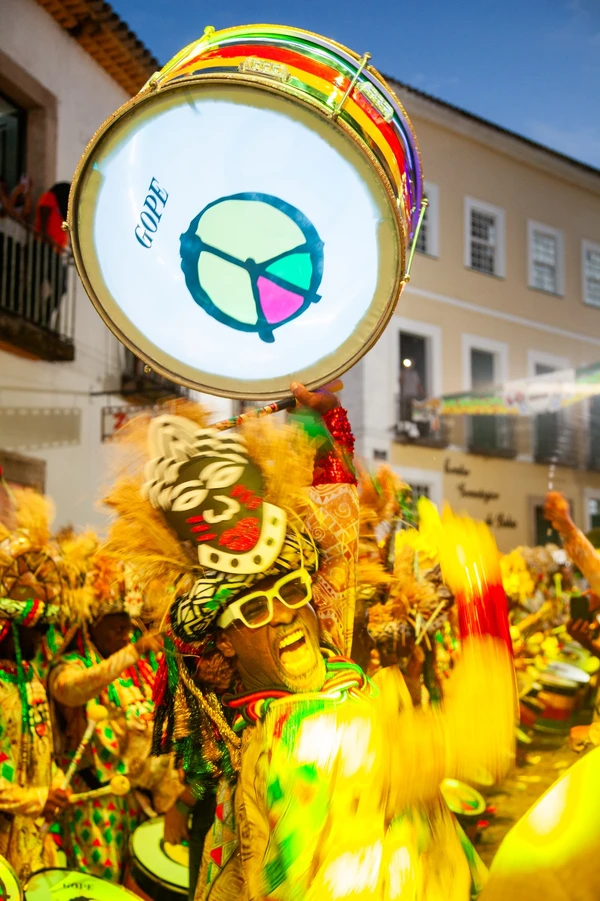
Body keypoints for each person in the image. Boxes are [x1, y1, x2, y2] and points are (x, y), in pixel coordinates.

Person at [104, 386, 514, 901]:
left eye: (292, 591)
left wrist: (324, 431)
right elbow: (480, 734)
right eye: (254, 610)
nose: (284, 617)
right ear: (225, 642)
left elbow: (335, 561)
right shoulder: (307, 740)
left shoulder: (323, 689)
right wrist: (480, 592)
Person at [48, 549, 185, 883]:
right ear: (91, 627)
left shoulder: (139, 670)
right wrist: (133, 651)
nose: (126, 636)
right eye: (116, 629)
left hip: (141, 804)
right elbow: (72, 690)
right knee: (99, 887)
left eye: (129, 628)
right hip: (95, 805)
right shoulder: (71, 666)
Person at [0, 490, 71, 882]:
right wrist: (37, 799)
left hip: (33, 838)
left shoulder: (33, 680)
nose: (43, 638)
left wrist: (54, 783)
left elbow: (42, 752)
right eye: (36, 628)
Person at [33, 181, 69, 325]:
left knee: (62, 288)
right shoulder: (49, 197)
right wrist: (46, 241)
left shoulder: (62, 209)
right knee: (36, 283)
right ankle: (35, 316)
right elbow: (43, 221)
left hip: (55, 252)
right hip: (44, 247)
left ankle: (43, 318)